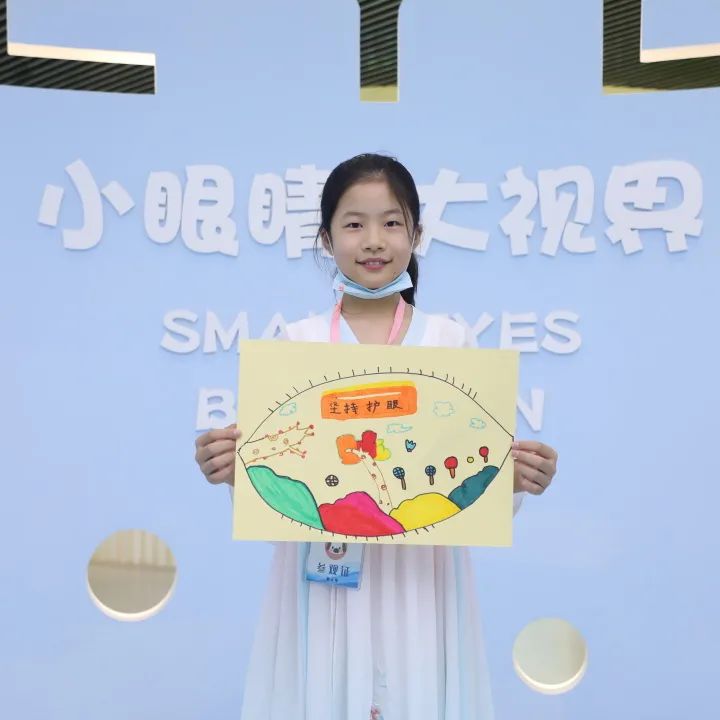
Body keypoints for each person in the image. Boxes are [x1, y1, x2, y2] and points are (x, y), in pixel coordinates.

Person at [194, 153, 558, 720]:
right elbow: (274, 500)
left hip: (421, 581)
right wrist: (230, 470)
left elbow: (482, 489)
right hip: (321, 582)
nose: (373, 240)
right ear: (326, 238)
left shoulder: (451, 343)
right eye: (353, 223)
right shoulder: (295, 345)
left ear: (416, 234)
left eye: (391, 222)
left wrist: (515, 477)